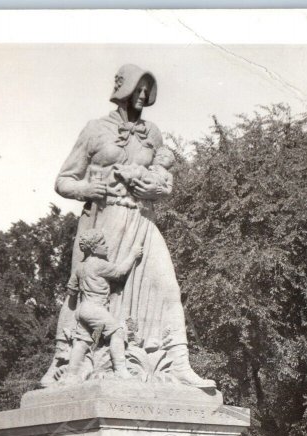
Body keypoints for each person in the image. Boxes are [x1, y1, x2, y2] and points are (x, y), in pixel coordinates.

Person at [40, 63, 215, 389]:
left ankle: (178, 364)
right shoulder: (94, 129)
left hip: (140, 220)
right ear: (124, 90)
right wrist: (85, 190)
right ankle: (61, 364)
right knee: (81, 295)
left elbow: (166, 183)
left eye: (148, 90)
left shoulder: (153, 133)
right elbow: (63, 180)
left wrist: (156, 188)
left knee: (168, 288)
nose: (144, 95)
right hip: (102, 224)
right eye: (139, 88)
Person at [62, 229, 143, 384]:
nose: (106, 246)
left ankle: (71, 376)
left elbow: (71, 290)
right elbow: (120, 272)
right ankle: (121, 370)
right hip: (95, 308)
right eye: (102, 243)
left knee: (83, 341)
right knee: (117, 332)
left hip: (82, 310)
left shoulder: (80, 267)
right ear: (93, 248)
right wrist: (133, 254)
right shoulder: (99, 264)